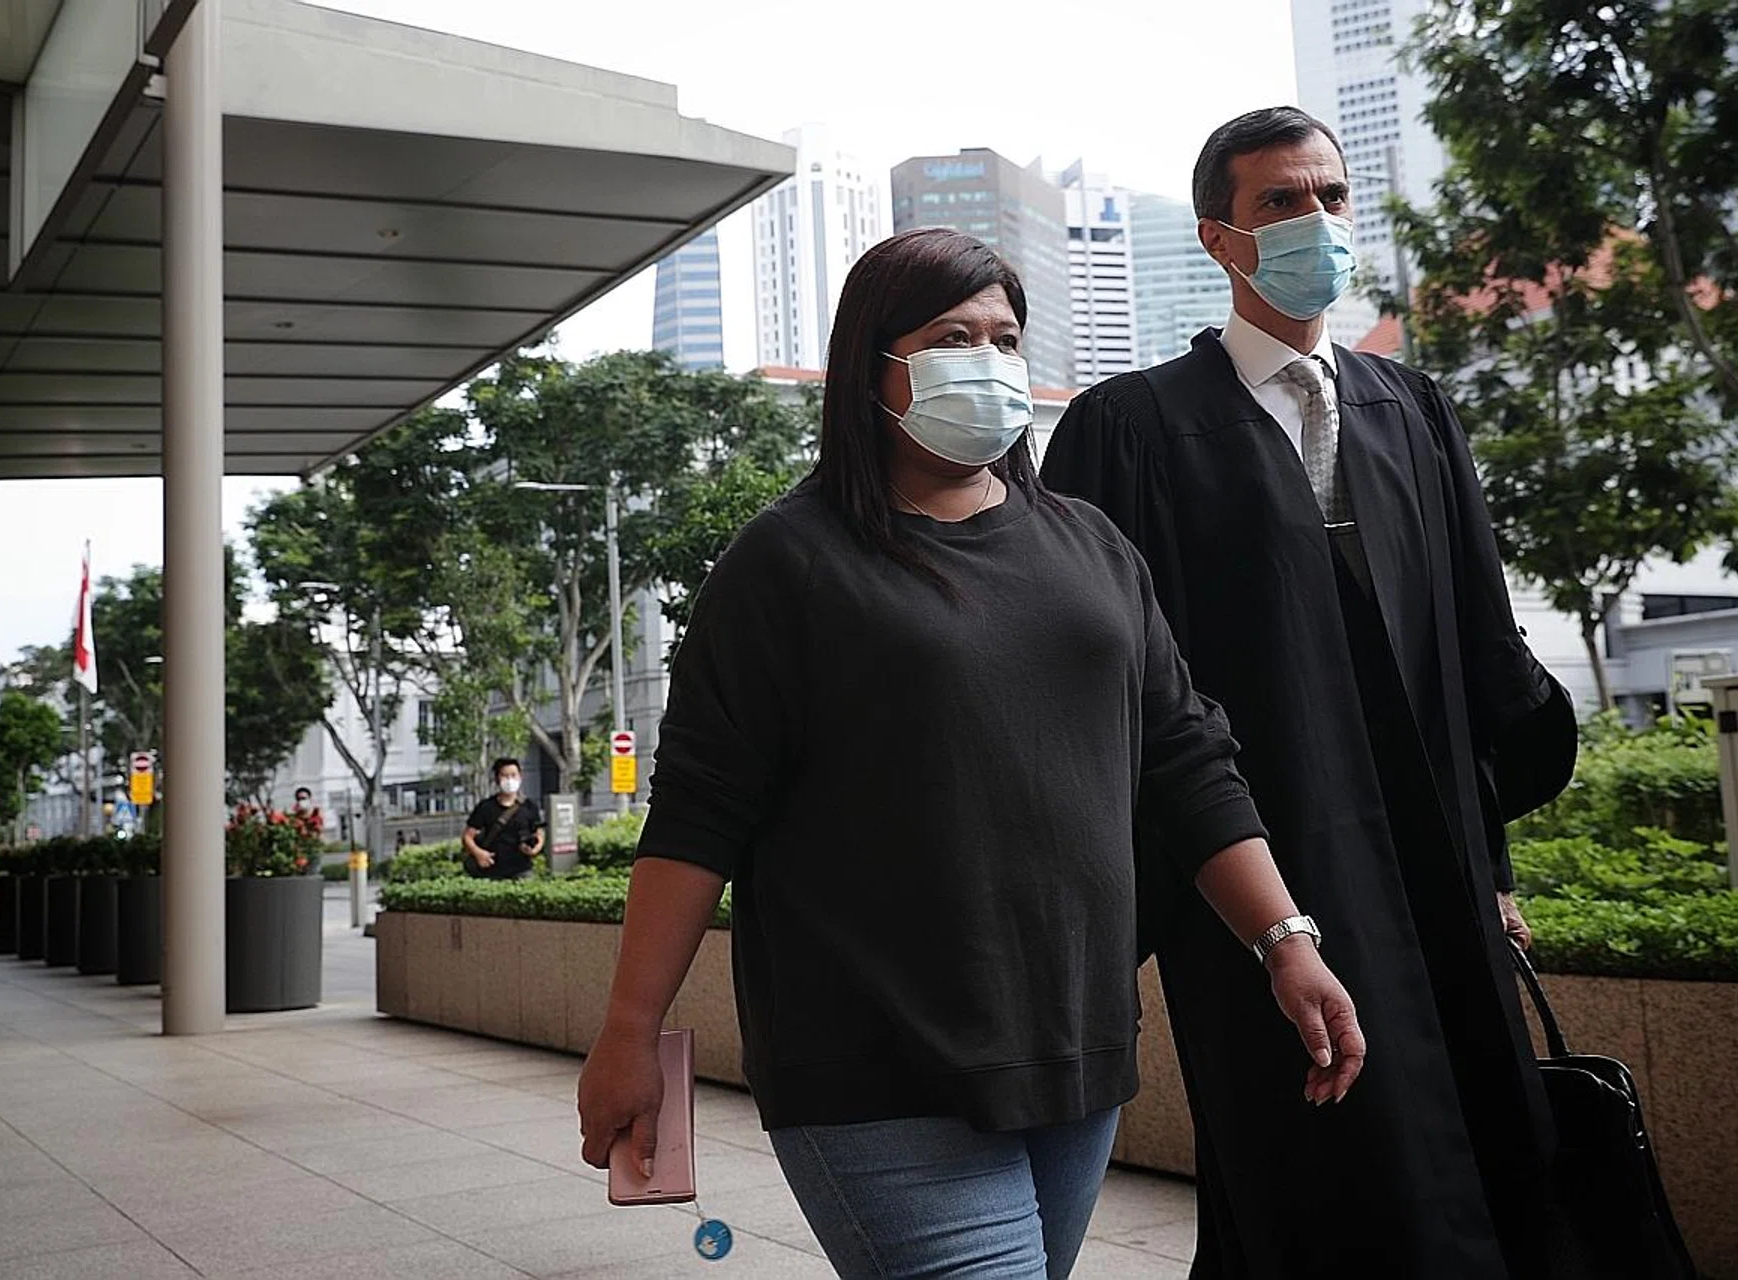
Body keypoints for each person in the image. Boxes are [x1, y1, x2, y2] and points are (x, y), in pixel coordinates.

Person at [577, 227, 1366, 1280]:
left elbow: (1189, 763)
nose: (989, 359)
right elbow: (697, 814)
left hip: (1077, 1052)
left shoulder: (1090, 545)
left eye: (1005, 337)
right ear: (873, 366)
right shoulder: (788, 561)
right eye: (954, 335)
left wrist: (1286, 940)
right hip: (878, 1065)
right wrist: (631, 1027)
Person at [1041, 106, 1582, 1279]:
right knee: (1312, 1169)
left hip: (1437, 861)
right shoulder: (1127, 431)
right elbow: (1111, 695)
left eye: (1332, 196)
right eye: (1282, 201)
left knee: (1488, 1157)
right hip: (1261, 877)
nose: (1318, 221)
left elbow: (1480, 657)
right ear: (1219, 238)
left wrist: (1492, 869)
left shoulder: (1415, 410)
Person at [461, 758, 543, 880]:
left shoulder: (530, 806)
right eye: (505, 776)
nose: (510, 780)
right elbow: (467, 836)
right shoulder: (486, 807)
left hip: (522, 870)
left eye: (513, 775)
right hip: (491, 870)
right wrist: (478, 854)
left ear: (520, 777)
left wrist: (535, 848)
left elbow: (539, 833)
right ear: (497, 779)